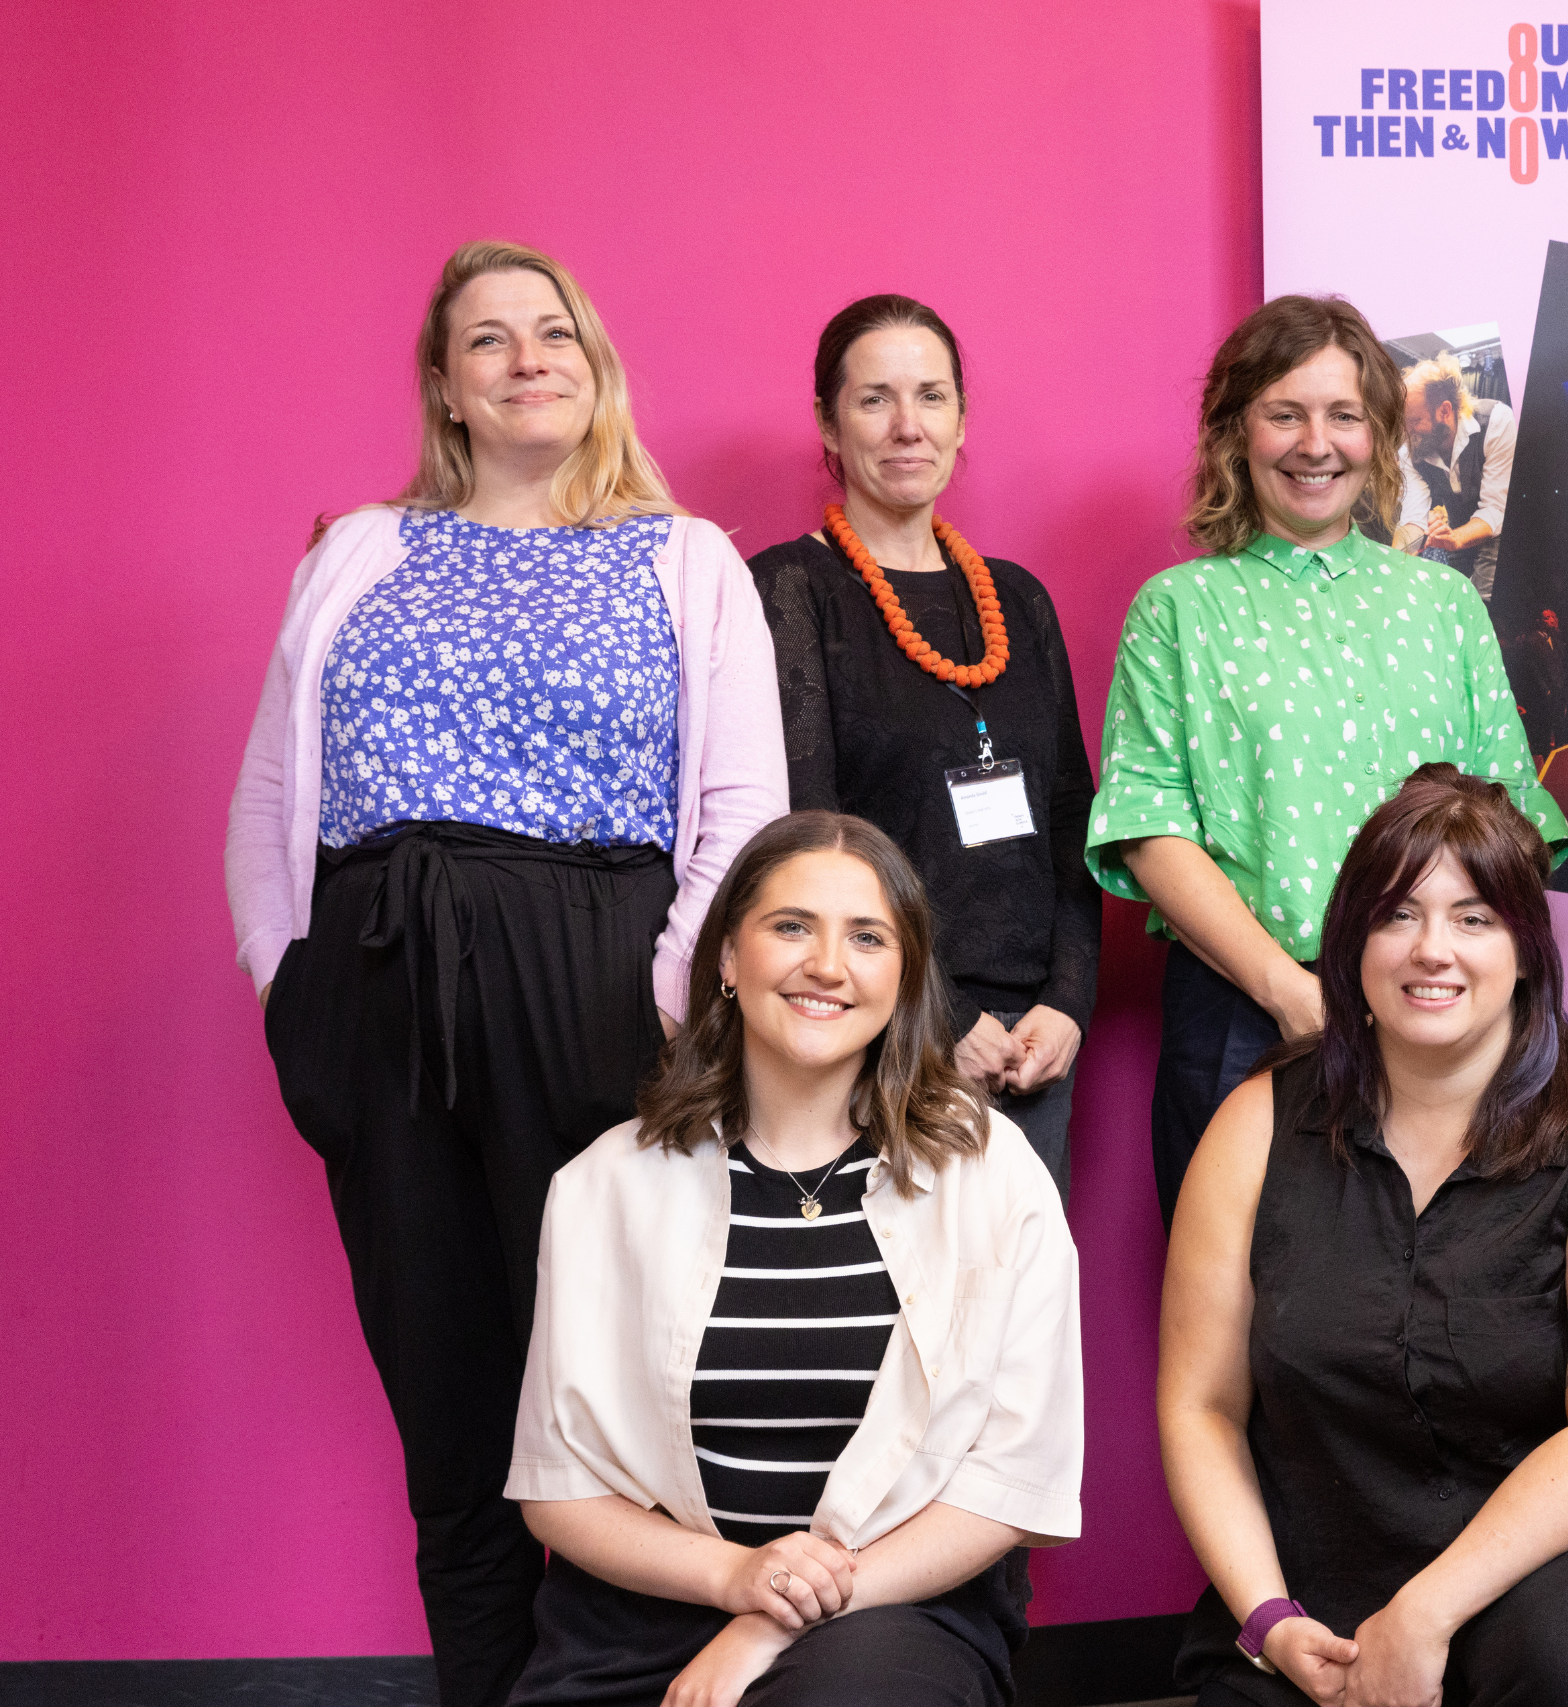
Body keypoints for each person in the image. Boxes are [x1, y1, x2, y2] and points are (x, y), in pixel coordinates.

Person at [224, 240, 788, 1707]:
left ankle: (619, 1686)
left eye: (556, 333)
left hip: (595, 979)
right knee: (448, 1388)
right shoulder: (360, 546)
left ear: (594, 369)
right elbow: (276, 777)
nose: (529, 357)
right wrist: (292, 986)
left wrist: (668, 1000)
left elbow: (742, 804)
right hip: (383, 984)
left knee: (610, 1380)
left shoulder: (684, 555)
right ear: (446, 388)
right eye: (490, 341)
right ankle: (483, 1686)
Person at [1159, 765, 1568, 1707]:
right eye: (1398, 916)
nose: (1434, 950)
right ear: (1351, 942)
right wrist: (1267, 1617)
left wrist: (1423, 1614)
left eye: (1474, 917)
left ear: (1524, 947)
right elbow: (1201, 1408)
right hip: (1334, 1554)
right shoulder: (1257, 1124)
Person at [507, 811, 1082, 1707]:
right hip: (645, 1610)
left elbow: (1013, 1486)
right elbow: (558, 1489)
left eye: (866, 936)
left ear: (905, 974)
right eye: (790, 927)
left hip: (892, 1610)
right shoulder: (600, 1187)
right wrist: (734, 1579)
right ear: (729, 959)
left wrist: (771, 1617)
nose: (827, 964)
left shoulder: (994, 1173)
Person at [1087, 294, 1568, 1227]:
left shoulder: (1443, 606)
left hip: (1437, 1014)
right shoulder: (1177, 610)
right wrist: (1290, 993)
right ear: (1237, 433)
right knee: (1237, 1318)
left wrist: (1451, 988)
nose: (1318, 443)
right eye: (1285, 413)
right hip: (1246, 1018)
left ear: (1379, 436)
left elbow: (1512, 823)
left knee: (1434, 1307)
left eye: (1344, 415)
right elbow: (1150, 831)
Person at [750, 294, 1098, 1199]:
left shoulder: (1017, 600)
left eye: (931, 397)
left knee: (1016, 1328)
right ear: (828, 423)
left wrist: (1067, 1004)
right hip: (879, 1028)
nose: (907, 426)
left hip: (1032, 1050)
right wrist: (941, 1016)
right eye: (874, 400)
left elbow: (1070, 813)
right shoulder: (793, 590)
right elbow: (808, 837)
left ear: (961, 418)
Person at [1390, 354, 1516, 599]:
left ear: (1445, 410)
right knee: (1452, 597)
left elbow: (1494, 509)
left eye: (1414, 421)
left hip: (1499, 532)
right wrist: (1393, 563)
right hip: (1458, 531)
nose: (1407, 432)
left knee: (1483, 601)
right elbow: (1414, 518)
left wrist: (1456, 538)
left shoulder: (1496, 422)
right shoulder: (1410, 449)